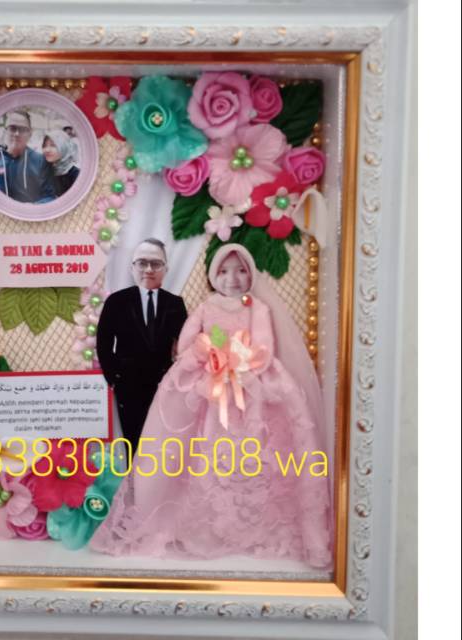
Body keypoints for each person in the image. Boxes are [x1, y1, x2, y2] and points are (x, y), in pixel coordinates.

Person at [90, 243, 333, 568]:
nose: (233, 278)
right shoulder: (206, 307)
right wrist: (205, 356)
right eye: (224, 271)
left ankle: (254, 522)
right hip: (211, 382)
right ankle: (201, 526)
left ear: (251, 273)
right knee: (197, 446)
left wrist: (241, 364)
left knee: (258, 451)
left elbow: (263, 346)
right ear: (213, 275)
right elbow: (188, 342)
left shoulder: (257, 308)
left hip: (249, 382)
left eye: (241, 270)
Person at [96, 239, 188, 453]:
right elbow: (103, 343)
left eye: (156, 263)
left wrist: (177, 378)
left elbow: (185, 344)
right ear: (132, 268)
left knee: (161, 444)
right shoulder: (116, 302)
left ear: (166, 269)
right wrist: (114, 379)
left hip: (164, 386)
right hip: (128, 386)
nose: (148, 269)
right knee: (133, 443)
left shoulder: (175, 303)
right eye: (142, 263)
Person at [0, 110, 56, 204]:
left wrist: (31, 208)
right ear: (5, 131)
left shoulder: (41, 161)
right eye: (12, 128)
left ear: (30, 134)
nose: (17, 134)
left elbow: (49, 196)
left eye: (22, 129)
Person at [42, 130, 80, 197]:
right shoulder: (45, 171)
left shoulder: (76, 175)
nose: (47, 150)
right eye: (44, 145)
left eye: (53, 145)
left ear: (64, 147)